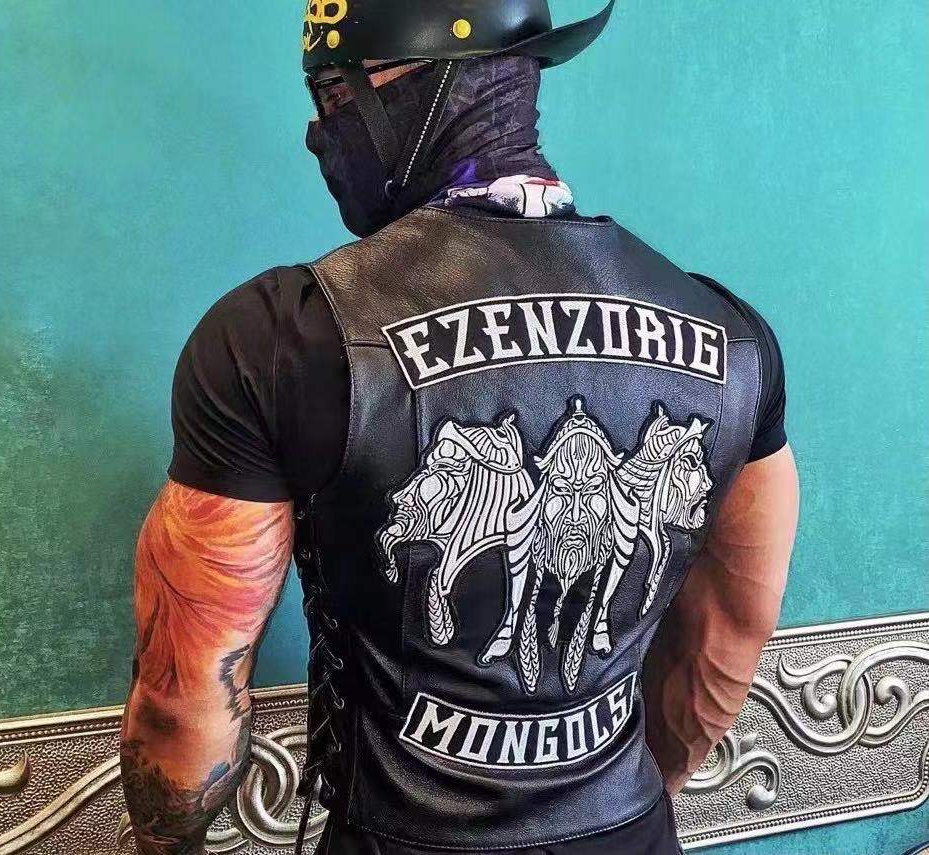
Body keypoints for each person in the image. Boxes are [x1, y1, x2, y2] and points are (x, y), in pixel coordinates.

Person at [119, 2, 800, 853]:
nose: (318, 134)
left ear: (399, 80)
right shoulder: (732, 335)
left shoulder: (284, 331)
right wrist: (627, 803)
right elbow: (732, 629)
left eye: (332, 94)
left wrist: (165, 846)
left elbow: (185, 699)